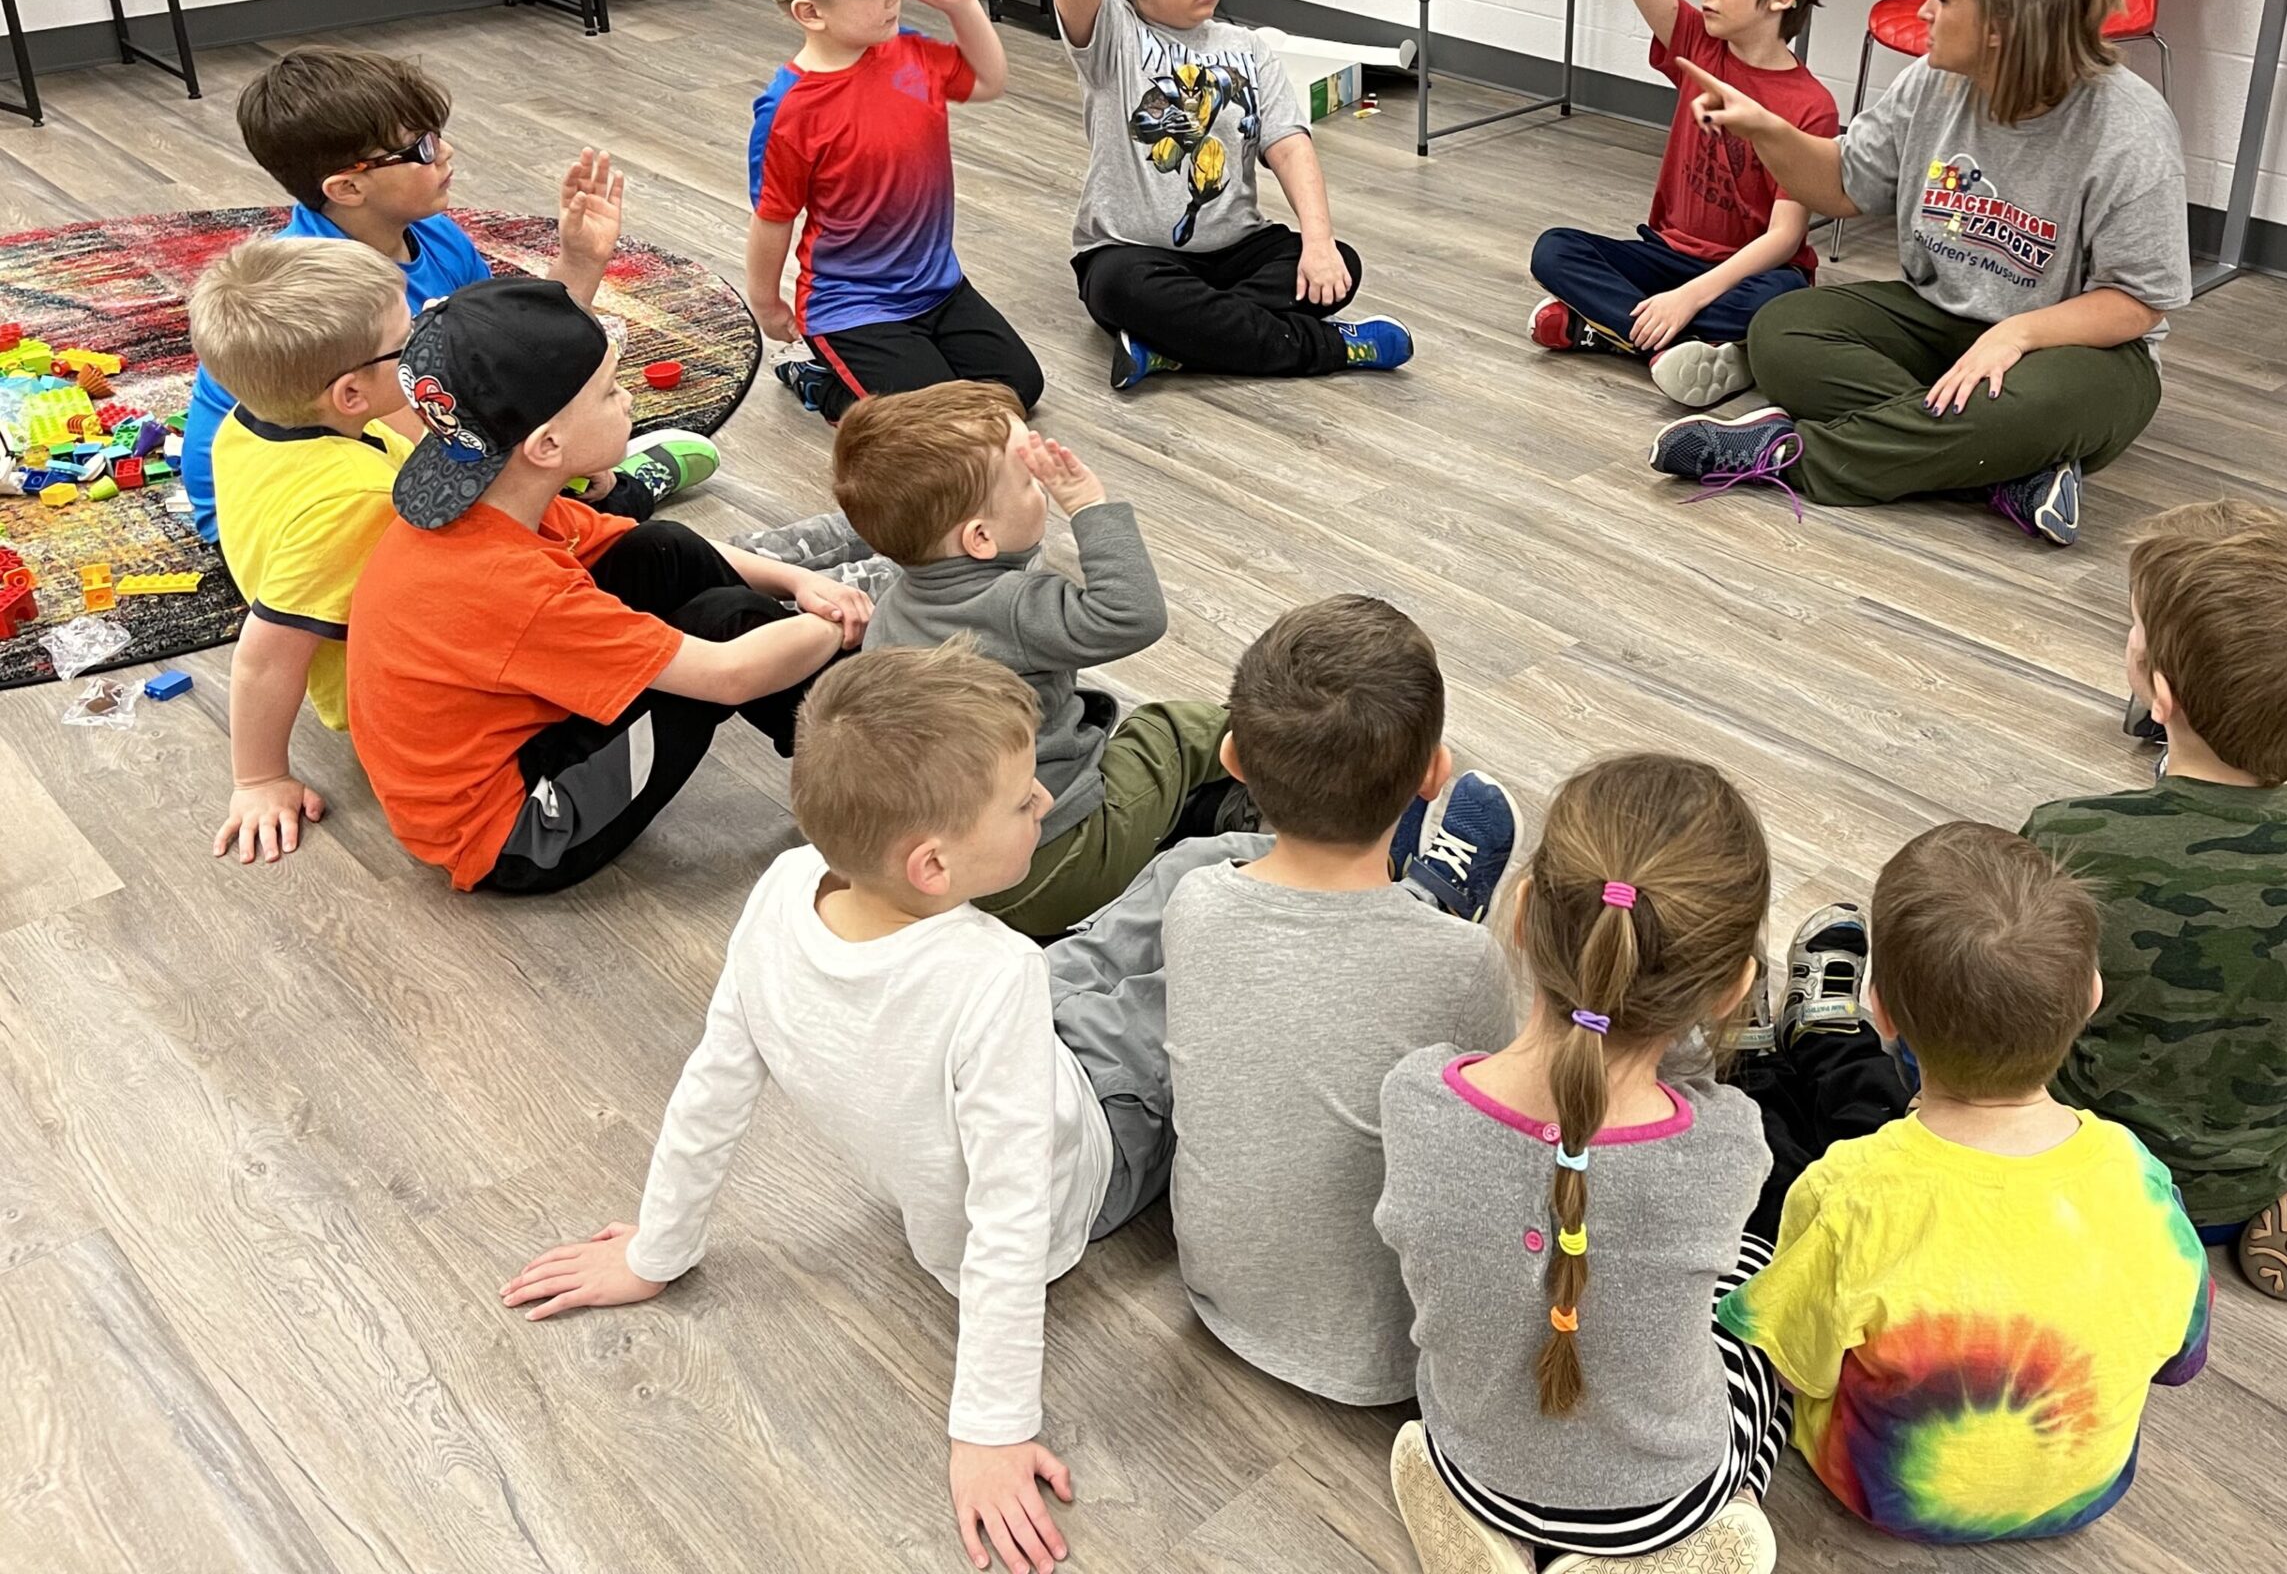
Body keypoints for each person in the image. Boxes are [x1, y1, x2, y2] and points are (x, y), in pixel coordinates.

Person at [501, 642, 1244, 1574]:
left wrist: (661, 1249)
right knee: (1204, 953)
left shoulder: (783, 891)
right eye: (1022, 801)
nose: (1047, 802)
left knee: (1165, 900)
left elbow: (715, 1083)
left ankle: (1249, 853)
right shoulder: (994, 970)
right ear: (932, 864)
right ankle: (1367, 876)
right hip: (1097, 1144)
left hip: (1023, 1061)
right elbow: (1011, 1219)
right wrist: (988, 1427)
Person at [1718, 824, 2212, 1547]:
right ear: (2092, 995)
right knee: (1867, 1142)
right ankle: (1809, 1044)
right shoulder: (2139, 1175)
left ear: (1883, 1011)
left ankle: (1769, 1064)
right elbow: (2180, 1358)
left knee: (1779, 1172)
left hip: (1874, 1486)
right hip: (2086, 1492)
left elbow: (1796, 1365)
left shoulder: (1853, 1190)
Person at [1648, 0, 2189, 546]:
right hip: (1939, 315)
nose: (1925, 12)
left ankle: (1788, 455)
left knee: (2037, 409)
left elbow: (2140, 303)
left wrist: (2018, 334)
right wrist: (1765, 128)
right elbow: (1841, 185)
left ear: (1999, 28)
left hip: (2079, 350)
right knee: (1782, 330)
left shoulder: (2128, 126)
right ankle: (2006, 469)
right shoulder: (1932, 81)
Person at [1378, 755, 1788, 1573]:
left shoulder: (1416, 1095)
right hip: (1663, 1500)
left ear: (1521, 912)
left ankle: (1479, 1522)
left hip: (1470, 1462)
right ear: (1732, 987)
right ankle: (1659, 1553)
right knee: (1762, 1314)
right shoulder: (1728, 1144)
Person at [2030, 500, 2287, 1305]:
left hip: (2086, 1160)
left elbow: (2025, 1011)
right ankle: (2283, 1185)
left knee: (1934, 1020)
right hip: (2254, 1167)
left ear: (2162, 694)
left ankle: (2094, 1224)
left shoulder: (2070, 838)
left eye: (2135, 626)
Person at [345, 277, 867, 894]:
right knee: (724, 620)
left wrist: (799, 582)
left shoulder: (496, 498)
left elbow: (645, 544)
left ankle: (842, 734)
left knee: (660, 546)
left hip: (516, 736)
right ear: (547, 445)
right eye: (610, 391)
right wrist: (832, 624)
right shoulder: (513, 587)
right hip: (523, 831)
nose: (625, 402)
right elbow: (728, 675)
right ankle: (872, 770)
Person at [1162, 596, 1517, 1406]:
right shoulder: (1467, 966)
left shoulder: (1193, 902)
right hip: (1386, 1356)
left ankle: (1415, 893)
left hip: (1217, 1291)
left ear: (1234, 761)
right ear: (1434, 775)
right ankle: (1430, 899)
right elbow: (1493, 1129)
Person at [181, 45, 713, 539]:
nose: (446, 151)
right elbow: (432, 439)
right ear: (347, 188)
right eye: (420, 147)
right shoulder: (324, 298)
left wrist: (579, 259)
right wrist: (574, 448)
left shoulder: (433, 233)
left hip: (374, 457)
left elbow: (513, 356)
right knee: (548, 505)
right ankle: (622, 497)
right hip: (292, 517)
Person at [1044, 0, 1410, 390]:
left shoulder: (1248, 47)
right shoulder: (1112, 37)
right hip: (1133, 256)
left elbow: (1290, 146)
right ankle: (1326, 349)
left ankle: (1172, 349)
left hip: (1236, 254)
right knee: (1120, 288)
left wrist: (1319, 242)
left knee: (1338, 265)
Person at [833, 380, 1238, 936]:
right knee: (1176, 727)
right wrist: (1091, 508)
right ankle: (1295, 795)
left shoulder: (893, 610)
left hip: (959, 878)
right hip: (1053, 866)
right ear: (978, 538)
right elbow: (1133, 615)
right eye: (1030, 482)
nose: (1045, 491)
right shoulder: (1013, 606)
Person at [1529, 0, 1837, 410]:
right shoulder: (1698, 44)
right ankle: (1678, 347)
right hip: (1666, 256)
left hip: (1750, 276)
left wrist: (1692, 298)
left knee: (1782, 304)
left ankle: (1611, 330)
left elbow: (1783, 239)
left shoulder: (1813, 105)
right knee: (1554, 249)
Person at [745, 0, 1042, 422]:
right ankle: (825, 384)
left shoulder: (908, 53)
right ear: (809, 11)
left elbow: (990, 80)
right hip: (851, 307)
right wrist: (766, 302)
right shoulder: (788, 111)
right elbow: (773, 217)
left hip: (938, 287)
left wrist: (962, 5)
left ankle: (875, 380)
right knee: (942, 423)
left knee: (1019, 387)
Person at [187, 237, 412, 865]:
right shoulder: (349, 500)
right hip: (393, 698)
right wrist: (257, 779)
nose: (422, 346)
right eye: (408, 342)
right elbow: (265, 654)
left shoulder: (248, 417)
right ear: (349, 396)